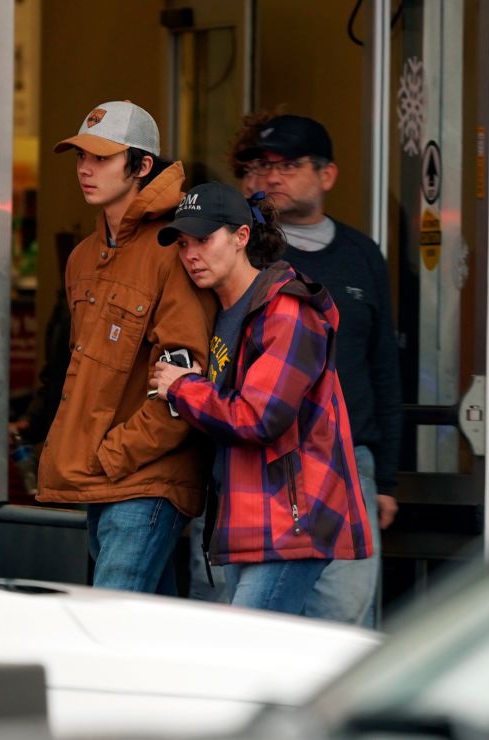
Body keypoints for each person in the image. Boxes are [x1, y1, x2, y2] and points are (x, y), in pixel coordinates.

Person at [151, 181, 372, 615]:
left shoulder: (287, 309)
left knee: (242, 653)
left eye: (203, 239)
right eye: (182, 243)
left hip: (291, 519)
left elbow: (259, 417)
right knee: (269, 658)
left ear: (241, 237)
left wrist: (181, 387)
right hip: (247, 515)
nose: (190, 253)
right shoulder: (219, 312)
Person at [35, 100, 215, 595]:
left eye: (101, 158)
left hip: (146, 479)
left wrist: (110, 455)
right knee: (147, 631)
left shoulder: (174, 248)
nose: (85, 169)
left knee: (112, 618)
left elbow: (185, 382)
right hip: (103, 479)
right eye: (79, 157)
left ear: (140, 166)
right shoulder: (82, 257)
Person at [236, 114, 402, 627]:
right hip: (262, 455)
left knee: (343, 613)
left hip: (349, 459)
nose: (272, 176)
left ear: (327, 175)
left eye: (288, 164)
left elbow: (383, 368)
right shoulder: (242, 249)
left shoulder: (362, 256)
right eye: (262, 165)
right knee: (253, 619)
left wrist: (386, 477)